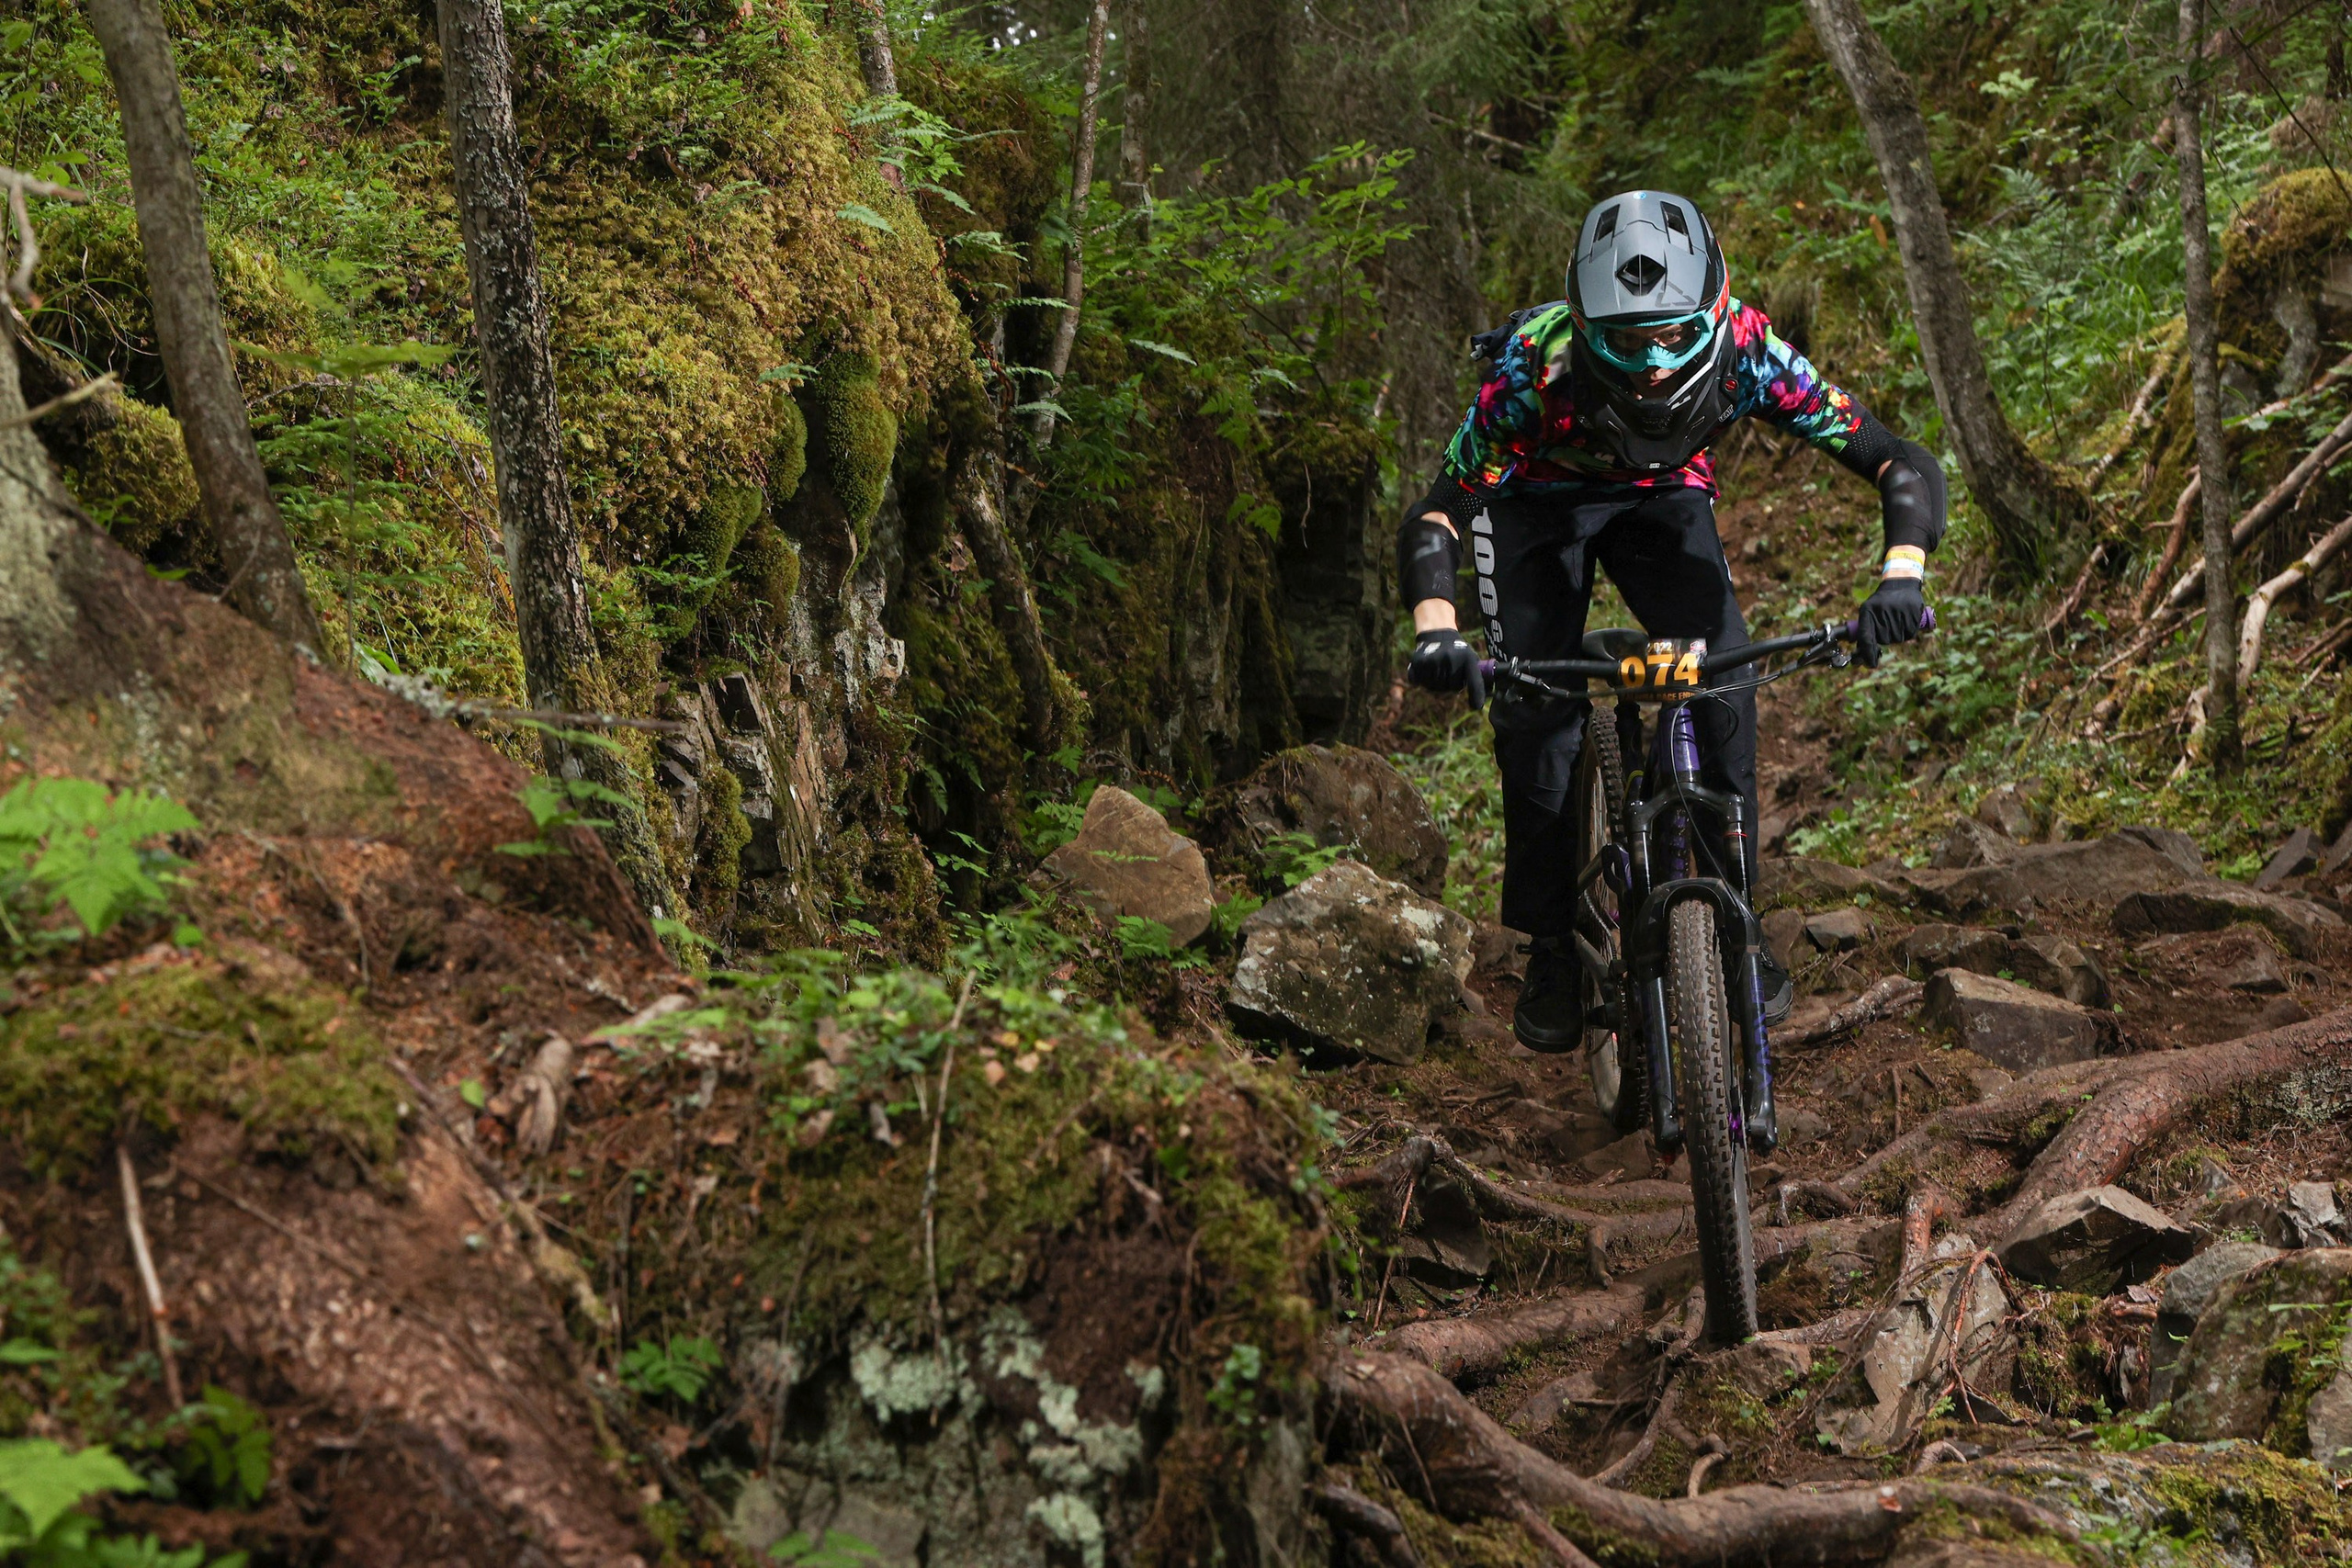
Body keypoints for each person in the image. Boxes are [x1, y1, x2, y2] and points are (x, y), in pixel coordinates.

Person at [1398, 189, 1945, 1073]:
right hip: (1532, 506)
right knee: (1540, 718)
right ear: (1584, 325)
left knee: (1724, 679)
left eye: (1671, 335)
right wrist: (1436, 628)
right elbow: (1440, 514)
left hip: (1662, 500)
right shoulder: (1534, 374)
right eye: (1624, 340)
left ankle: (1737, 920)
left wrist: (1901, 577)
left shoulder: (1746, 350)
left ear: (1713, 309)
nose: (1651, 365)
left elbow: (1890, 456)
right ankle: (1547, 947)